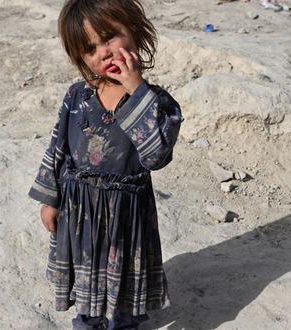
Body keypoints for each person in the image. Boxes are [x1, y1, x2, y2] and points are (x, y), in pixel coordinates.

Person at [28, 0, 183, 328]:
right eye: (90, 48)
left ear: (135, 31)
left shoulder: (158, 103)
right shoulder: (76, 97)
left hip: (127, 217)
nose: (104, 52)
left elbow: (156, 156)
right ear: (80, 58)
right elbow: (59, 147)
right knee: (87, 288)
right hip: (80, 212)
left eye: (110, 36)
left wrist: (136, 90)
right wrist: (50, 199)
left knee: (125, 287)